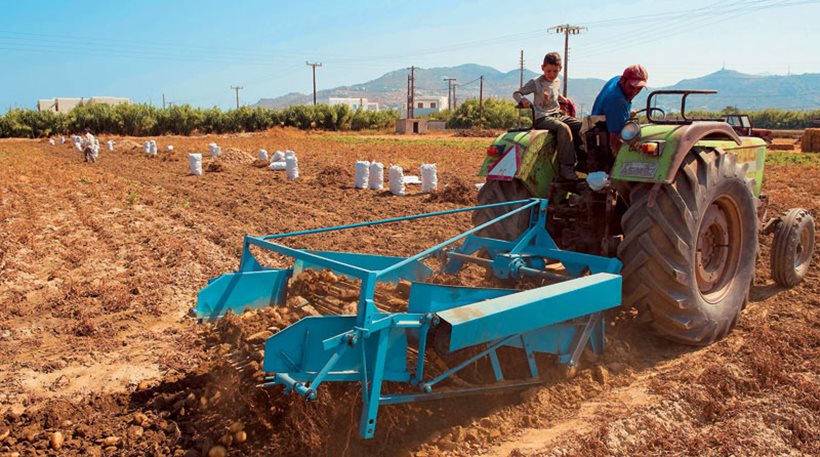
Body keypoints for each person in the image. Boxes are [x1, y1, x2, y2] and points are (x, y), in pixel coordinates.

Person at [513, 52, 583, 181]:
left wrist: (562, 98)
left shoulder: (557, 81)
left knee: (582, 126)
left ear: (560, 69)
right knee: (563, 128)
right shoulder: (536, 82)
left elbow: (552, 93)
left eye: (555, 71)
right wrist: (522, 100)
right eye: (549, 71)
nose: (552, 74)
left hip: (557, 115)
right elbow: (517, 93)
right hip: (542, 118)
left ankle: (583, 161)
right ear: (542, 68)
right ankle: (566, 168)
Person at [591, 64, 649, 156]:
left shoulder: (616, 80)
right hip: (602, 142)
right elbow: (615, 143)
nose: (635, 92)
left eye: (639, 88)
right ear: (623, 80)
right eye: (632, 87)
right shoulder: (618, 101)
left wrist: (626, 114)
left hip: (597, 126)